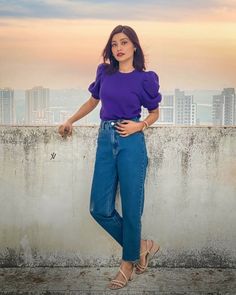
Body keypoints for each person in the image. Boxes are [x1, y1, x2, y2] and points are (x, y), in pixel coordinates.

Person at [58, 24, 162, 290]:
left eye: (124, 43)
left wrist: (141, 126)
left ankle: (127, 264)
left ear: (134, 46)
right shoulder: (104, 72)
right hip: (105, 141)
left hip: (131, 142)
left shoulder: (145, 78)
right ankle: (141, 246)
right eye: (114, 43)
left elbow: (154, 112)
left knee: (131, 209)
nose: (119, 48)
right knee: (99, 208)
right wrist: (70, 120)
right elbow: (93, 102)